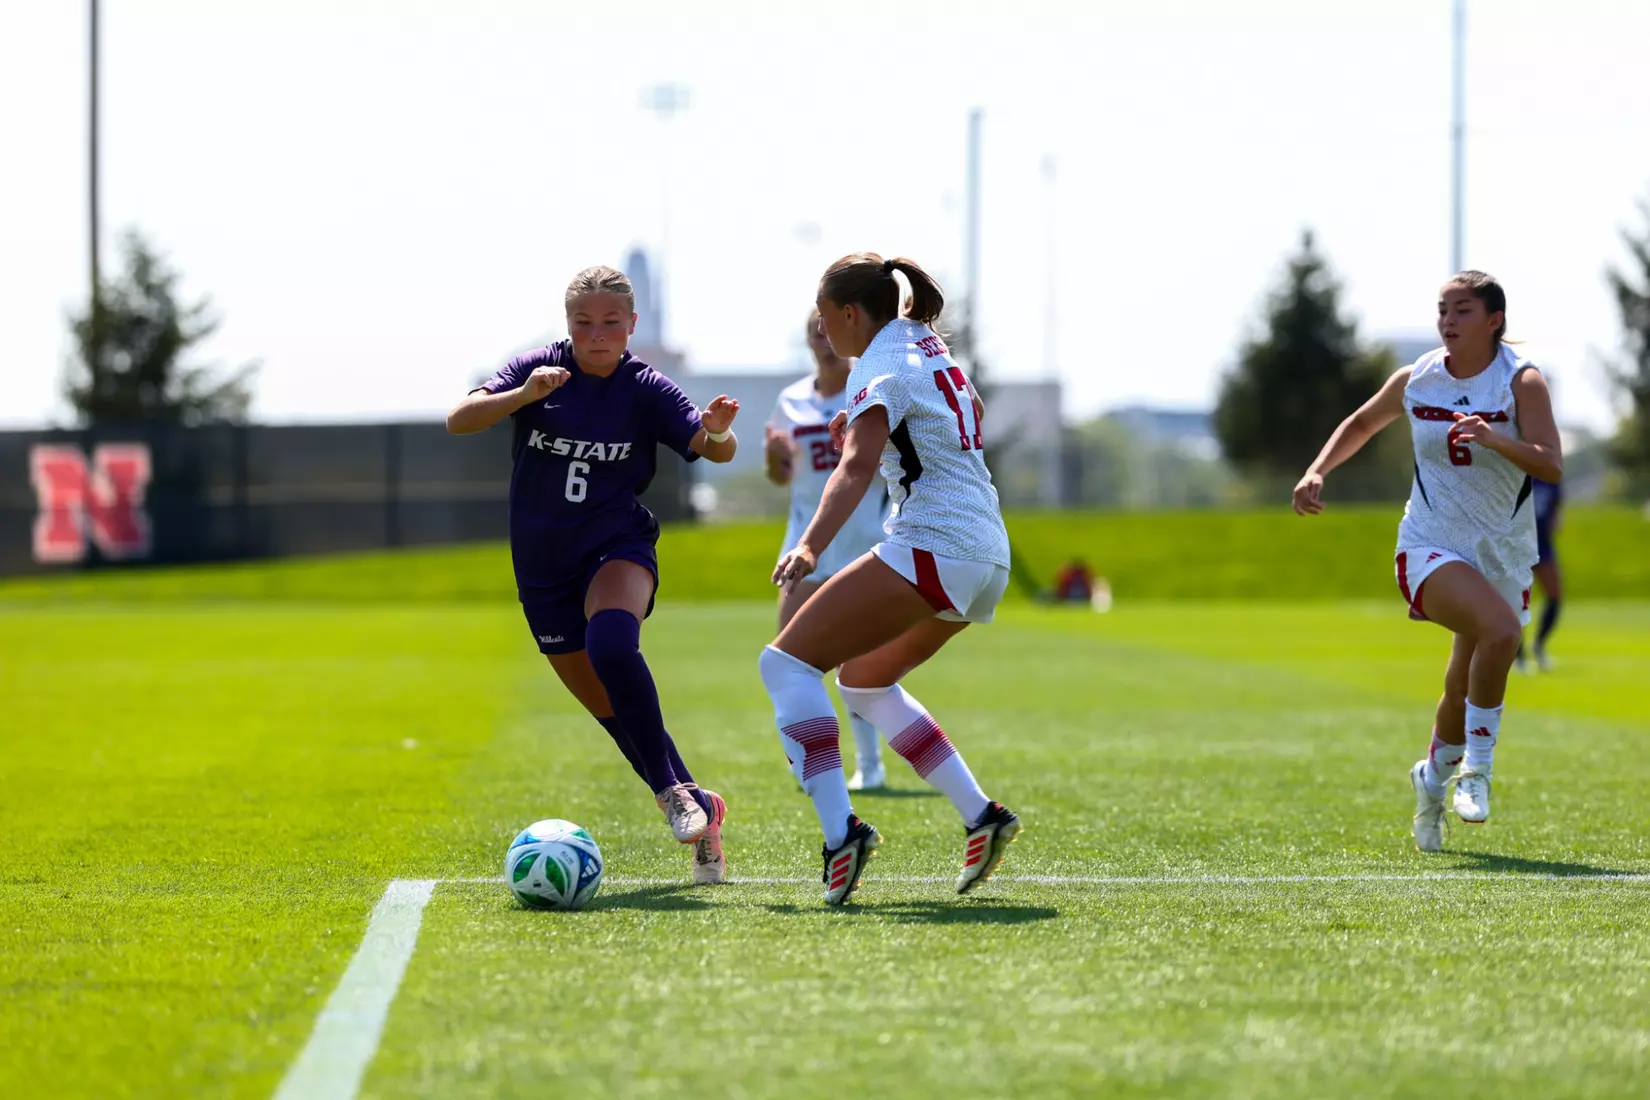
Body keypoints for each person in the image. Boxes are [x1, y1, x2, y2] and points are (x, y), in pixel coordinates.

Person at [446, 265, 742, 885]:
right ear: (568, 324)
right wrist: (522, 396)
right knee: (616, 715)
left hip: (617, 545)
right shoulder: (539, 368)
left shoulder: (646, 387)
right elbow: (460, 418)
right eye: (584, 322)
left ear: (631, 325)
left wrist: (717, 431)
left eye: (611, 322)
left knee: (612, 644)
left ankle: (671, 794)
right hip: (543, 566)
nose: (597, 333)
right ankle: (699, 806)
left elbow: (716, 448)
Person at [757, 252, 1021, 905]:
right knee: (863, 682)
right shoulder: (924, 344)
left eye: (824, 317)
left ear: (850, 313)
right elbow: (966, 410)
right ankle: (982, 815)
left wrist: (809, 546)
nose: (821, 330)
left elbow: (854, 469)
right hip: (986, 553)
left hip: (936, 543)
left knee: (784, 666)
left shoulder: (878, 365)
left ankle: (840, 834)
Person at [1292, 270, 1562, 853]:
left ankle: (1432, 780)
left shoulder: (1522, 381)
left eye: (1462, 310)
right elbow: (1362, 423)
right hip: (1430, 543)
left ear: (1494, 321)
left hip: (1501, 551)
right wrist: (1317, 470)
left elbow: (1550, 463)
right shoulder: (1417, 377)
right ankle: (1478, 771)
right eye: (1443, 309)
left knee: (1461, 684)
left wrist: (1495, 438)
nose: (1447, 321)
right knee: (1502, 632)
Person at [764, 308, 893, 790]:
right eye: (813, 333)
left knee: (857, 664)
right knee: (788, 658)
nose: (823, 341)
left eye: (828, 330)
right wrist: (774, 459)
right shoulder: (790, 399)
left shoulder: (871, 389)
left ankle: (870, 765)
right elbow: (781, 476)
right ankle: (808, 762)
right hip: (804, 539)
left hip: (863, 537)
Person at [1517, 475, 1563, 672]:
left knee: (1555, 595)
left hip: (1543, 545)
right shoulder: (1519, 472)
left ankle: (1539, 646)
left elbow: (1555, 507)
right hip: (1518, 544)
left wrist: (1555, 520)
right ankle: (1518, 655)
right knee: (1518, 600)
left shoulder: (1550, 475)